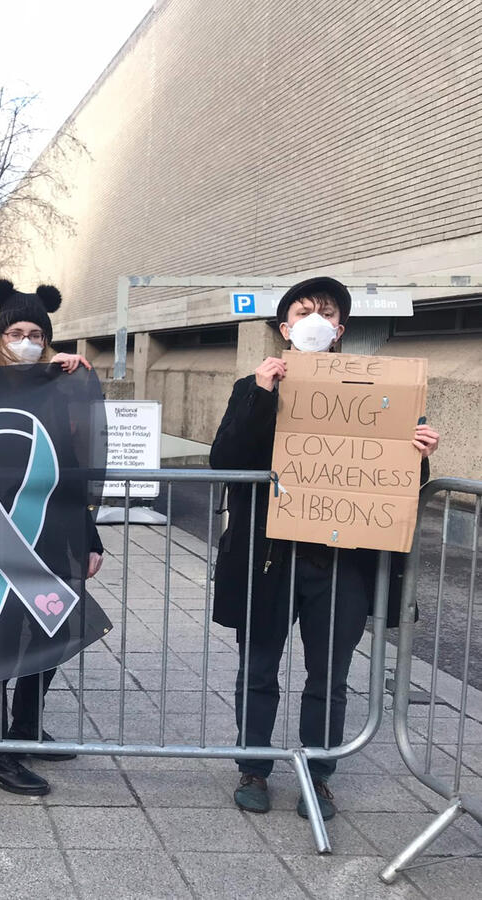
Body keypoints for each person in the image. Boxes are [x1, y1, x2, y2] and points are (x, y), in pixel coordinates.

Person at [210, 276, 440, 821]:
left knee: (329, 676)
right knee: (260, 667)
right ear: (285, 328)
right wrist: (262, 394)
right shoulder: (253, 386)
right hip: (268, 558)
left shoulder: (379, 390)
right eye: (303, 311)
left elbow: (392, 481)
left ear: (341, 328)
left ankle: (319, 773)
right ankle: (254, 766)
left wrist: (418, 453)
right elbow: (225, 460)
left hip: (339, 559)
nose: (315, 320)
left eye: (327, 311)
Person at [0, 278, 104, 797]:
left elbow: (69, 460)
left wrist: (89, 535)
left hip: (48, 529)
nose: (25, 340)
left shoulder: (52, 385)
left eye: (35, 333)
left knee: (57, 629)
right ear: (0, 335)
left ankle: (25, 724)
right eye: (15, 332)